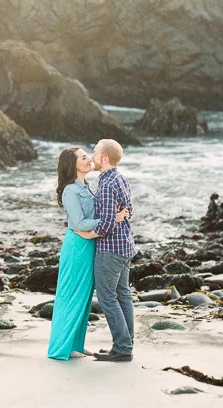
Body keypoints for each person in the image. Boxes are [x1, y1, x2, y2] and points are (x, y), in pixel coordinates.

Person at [47, 147, 129, 360]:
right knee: (70, 296)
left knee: (83, 298)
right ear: (72, 165)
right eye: (83, 158)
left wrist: (104, 224)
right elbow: (78, 223)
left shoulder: (85, 185)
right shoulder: (70, 191)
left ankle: (77, 345)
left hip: (90, 242)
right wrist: (111, 220)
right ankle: (61, 348)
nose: (89, 159)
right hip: (77, 246)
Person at [77, 139, 136, 362]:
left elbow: (107, 225)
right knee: (123, 295)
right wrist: (121, 215)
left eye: (94, 153)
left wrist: (86, 234)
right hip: (125, 246)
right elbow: (128, 208)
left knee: (108, 298)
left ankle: (122, 348)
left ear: (104, 158)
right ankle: (126, 344)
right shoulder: (121, 179)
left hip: (110, 250)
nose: (92, 157)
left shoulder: (106, 186)